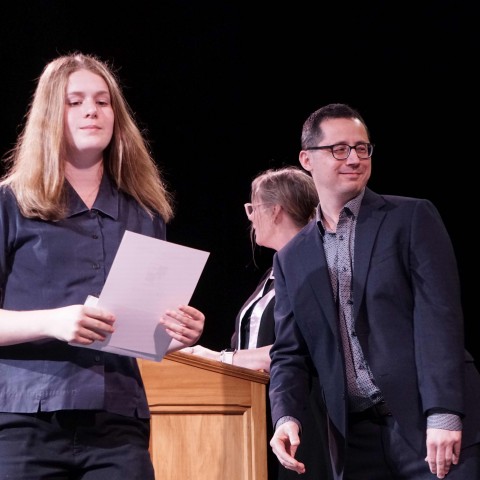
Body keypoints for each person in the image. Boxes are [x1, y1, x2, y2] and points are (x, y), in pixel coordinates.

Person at [0, 52, 205, 479]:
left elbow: (138, 336)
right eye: (74, 101)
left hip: (118, 425)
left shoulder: (145, 214)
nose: (92, 110)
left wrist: (175, 336)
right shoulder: (11, 203)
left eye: (102, 100)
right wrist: (53, 322)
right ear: (49, 115)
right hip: (24, 422)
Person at [268, 103, 480, 480]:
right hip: (355, 439)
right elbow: (289, 354)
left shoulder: (411, 218)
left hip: (427, 425)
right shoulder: (291, 258)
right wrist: (286, 416)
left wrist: (443, 413)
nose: (354, 158)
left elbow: (439, 318)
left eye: (362, 148)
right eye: (339, 149)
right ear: (307, 159)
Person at [182, 166, 332, 479]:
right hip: (255, 412)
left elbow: (300, 348)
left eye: (253, 208)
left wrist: (220, 358)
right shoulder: (274, 272)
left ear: (275, 211)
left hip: (306, 414)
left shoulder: (318, 267)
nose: (250, 218)